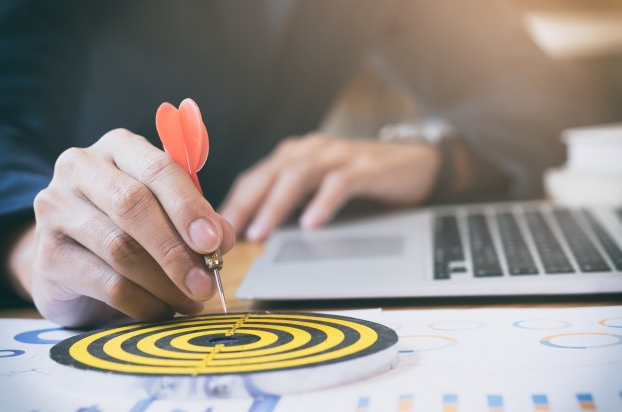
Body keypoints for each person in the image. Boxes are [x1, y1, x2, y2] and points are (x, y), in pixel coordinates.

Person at [0, 1, 618, 328]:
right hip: (73, 289)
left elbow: (540, 91)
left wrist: (436, 158)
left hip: (253, 273)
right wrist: (29, 244)